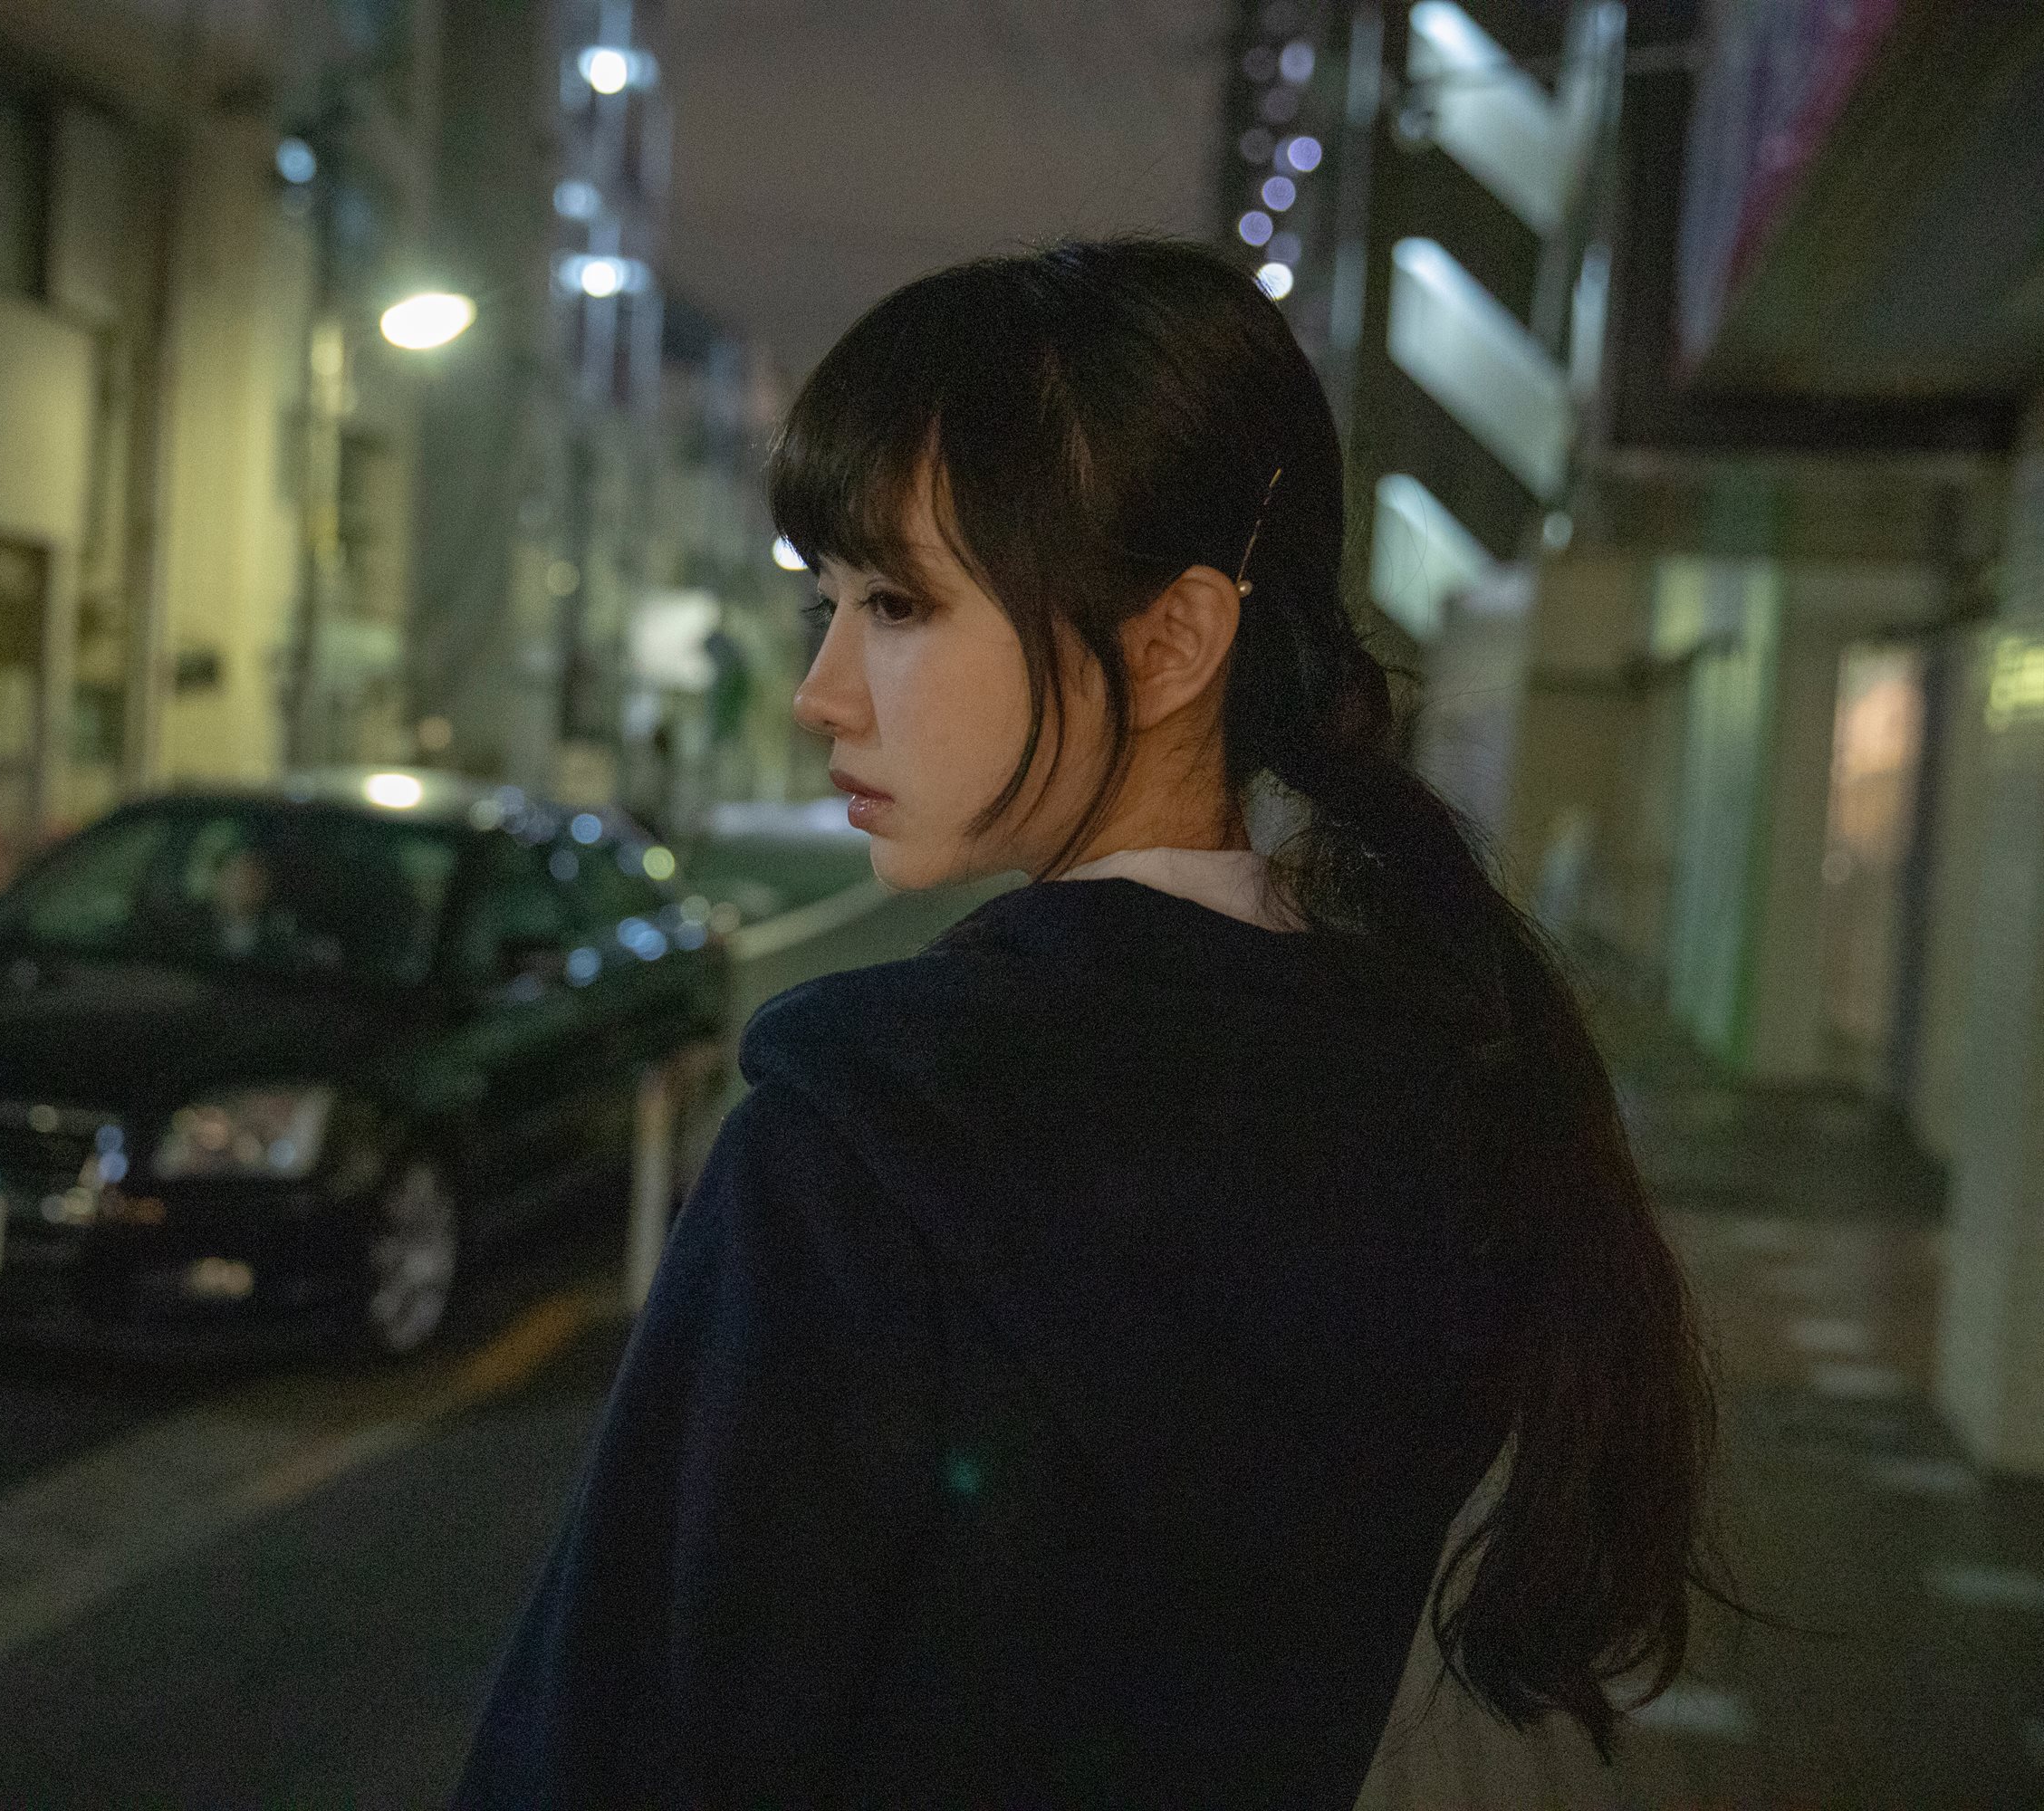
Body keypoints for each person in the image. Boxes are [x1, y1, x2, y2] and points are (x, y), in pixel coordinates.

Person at [453, 240, 1717, 1807]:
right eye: (826, 602)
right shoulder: (1439, 1092)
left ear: (1174, 642)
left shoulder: (866, 1137)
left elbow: (620, 1740)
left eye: (898, 605)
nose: (821, 690)